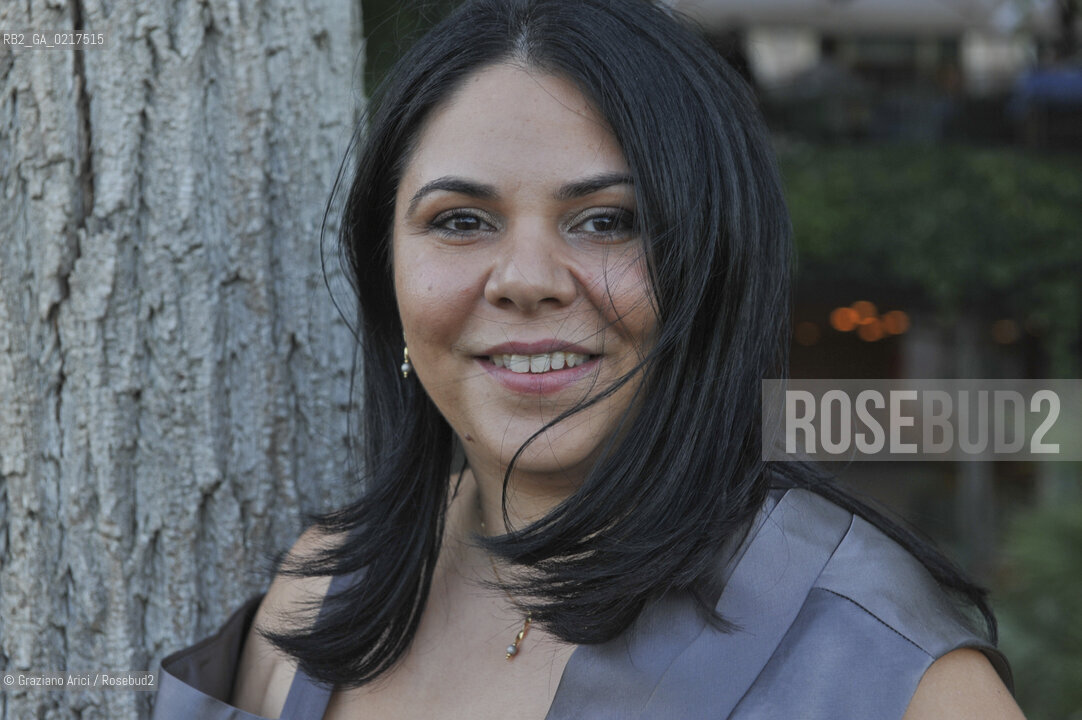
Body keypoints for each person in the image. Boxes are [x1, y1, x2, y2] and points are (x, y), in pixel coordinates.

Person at [151, 0, 1025, 718]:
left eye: (608, 220)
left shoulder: (887, 672)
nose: (526, 281)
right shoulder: (324, 596)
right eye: (460, 219)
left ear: (714, 268)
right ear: (388, 282)